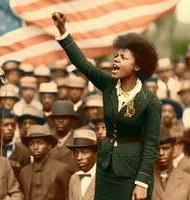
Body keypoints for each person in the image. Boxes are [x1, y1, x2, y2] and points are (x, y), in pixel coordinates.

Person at [52, 12, 162, 200]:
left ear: (137, 66)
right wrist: (62, 30)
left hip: (132, 173)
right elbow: (82, 63)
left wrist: (142, 183)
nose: (116, 59)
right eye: (116, 55)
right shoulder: (109, 85)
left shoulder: (151, 102)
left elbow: (151, 146)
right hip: (105, 168)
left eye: (123, 57)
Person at [19, 125, 71, 200]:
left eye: (40, 143)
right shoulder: (24, 172)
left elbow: (68, 197)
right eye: (31, 143)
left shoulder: (62, 170)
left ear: (49, 146)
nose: (35, 147)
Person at [152, 127, 190, 200]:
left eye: (165, 148)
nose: (161, 153)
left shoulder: (188, 181)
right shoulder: (145, 181)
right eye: (157, 149)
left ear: (174, 150)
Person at [67, 129, 97, 200]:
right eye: (76, 153)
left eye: (84, 152)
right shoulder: (74, 178)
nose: (79, 157)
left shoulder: (105, 177)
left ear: (95, 153)